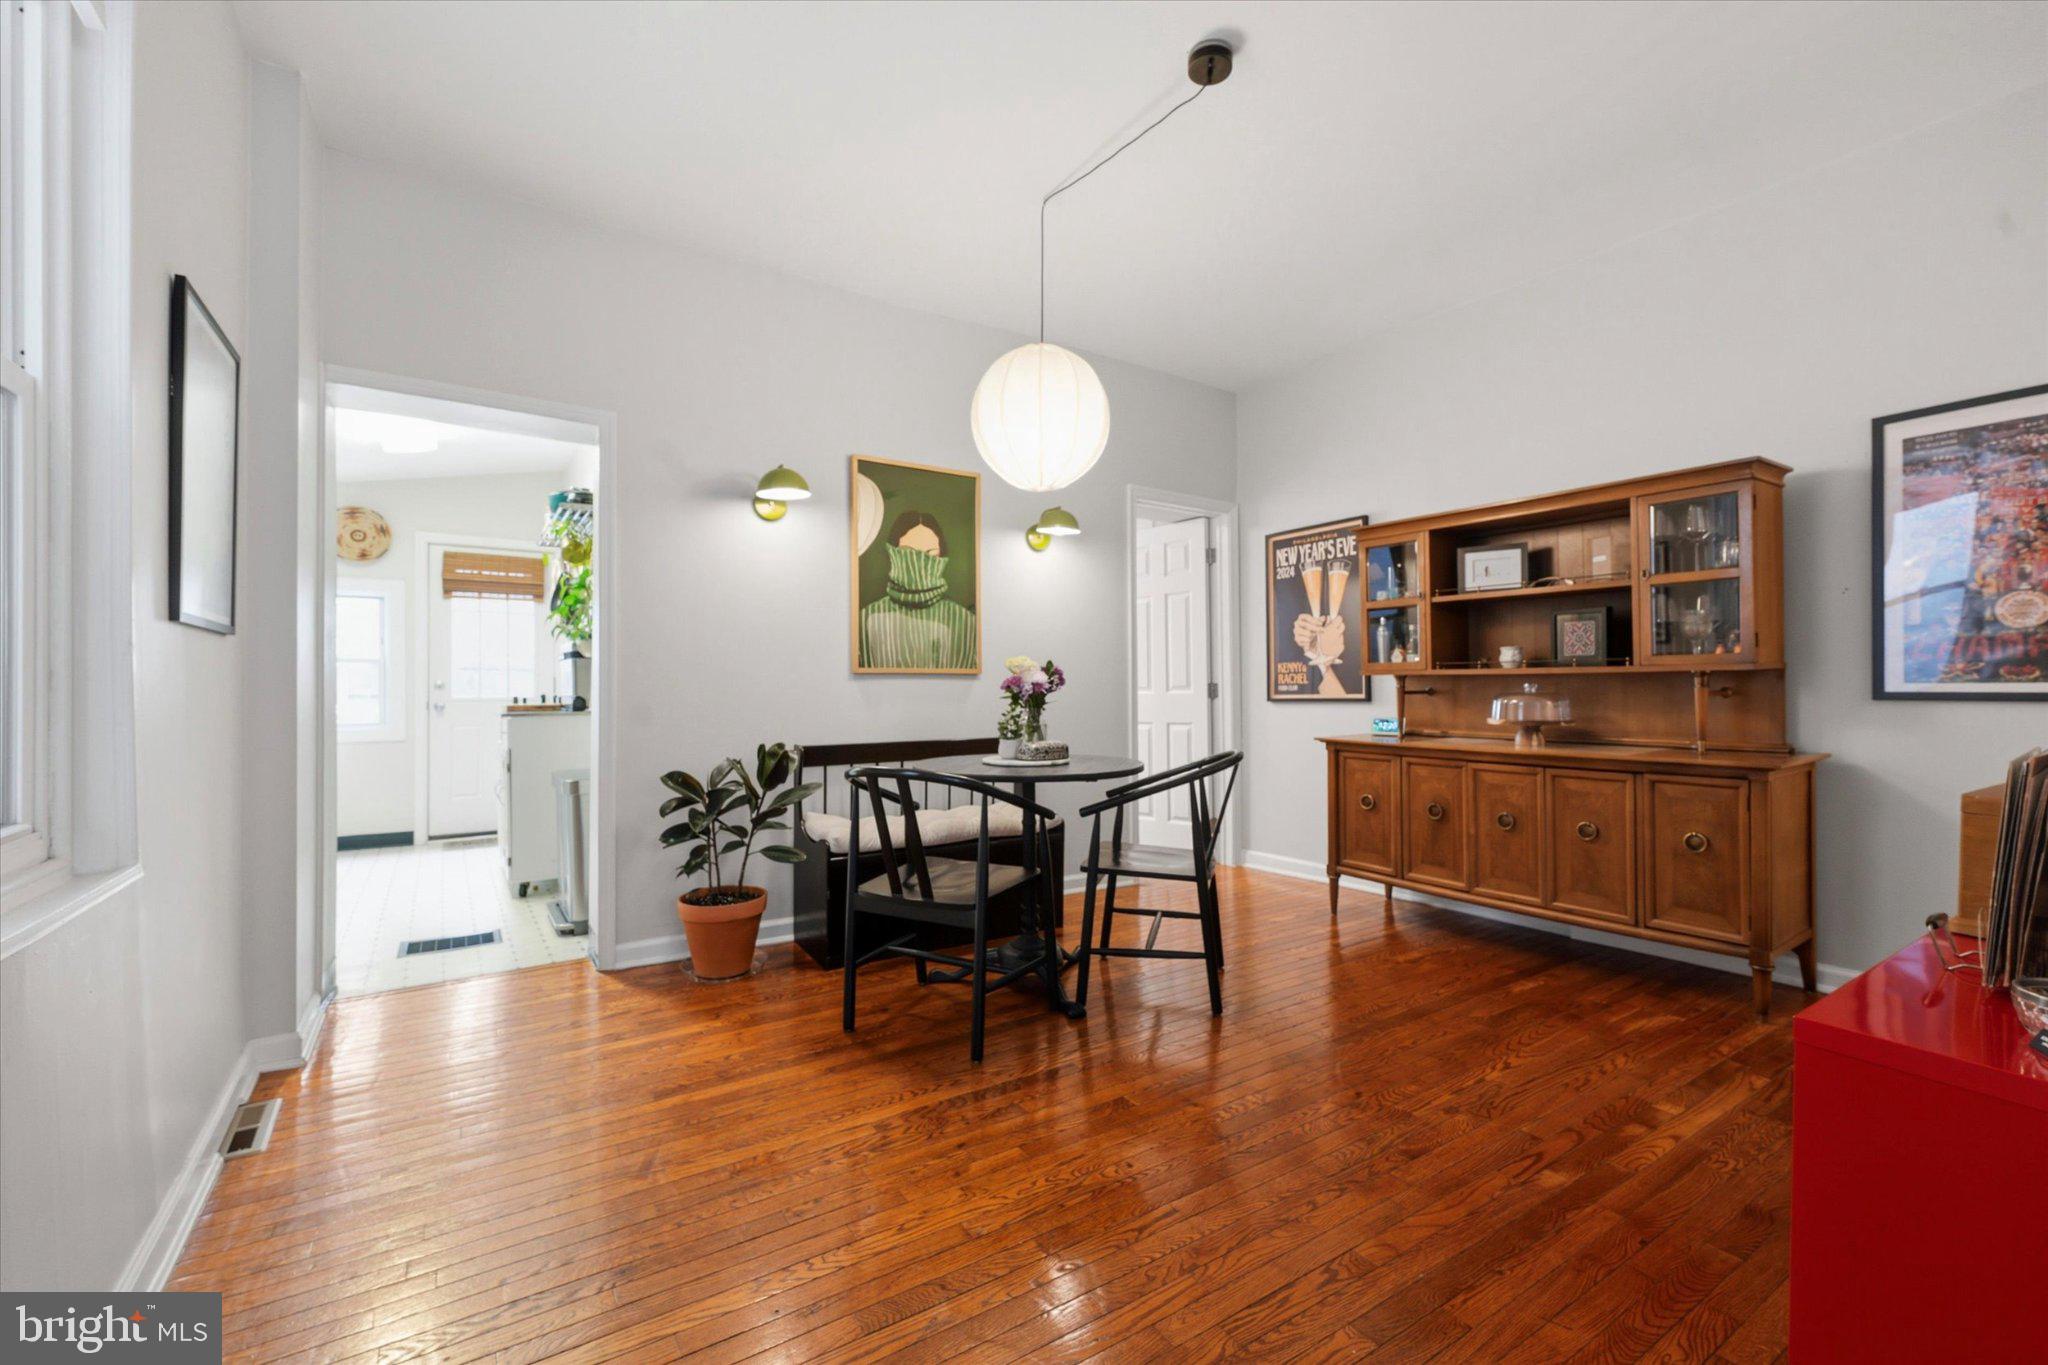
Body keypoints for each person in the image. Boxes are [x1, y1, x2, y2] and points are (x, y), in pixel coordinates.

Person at [859, 511, 977, 670]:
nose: (920, 559)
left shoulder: (966, 622)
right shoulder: (866, 618)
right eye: (909, 551)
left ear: (941, 554)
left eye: (931, 552)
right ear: (892, 552)